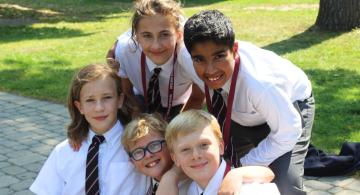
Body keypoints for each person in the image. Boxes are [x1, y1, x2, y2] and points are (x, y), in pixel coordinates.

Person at [182, 10, 315, 195]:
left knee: (284, 183)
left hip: (288, 112)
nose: (210, 69)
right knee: (215, 167)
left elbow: (289, 132)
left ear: (234, 49)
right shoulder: (187, 58)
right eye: (199, 60)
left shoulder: (260, 84)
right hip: (241, 111)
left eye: (219, 56)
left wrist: (243, 168)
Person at [30, 64, 147, 195]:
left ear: (119, 100)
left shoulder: (140, 144)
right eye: (90, 100)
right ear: (79, 107)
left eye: (107, 97)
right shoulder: (64, 151)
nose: (99, 108)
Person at [106, 0, 204, 121]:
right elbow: (127, 93)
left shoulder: (190, 56)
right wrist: (140, 119)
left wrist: (175, 128)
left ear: (179, 35)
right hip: (141, 99)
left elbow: (197, 97)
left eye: (164, 35)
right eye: (147, 35)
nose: (156, 46)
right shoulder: (125, 51)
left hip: (181, 103)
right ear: (136, 36)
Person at [165, 110, 277, 195]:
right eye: (185, 149)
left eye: (204, 145)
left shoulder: (250, 190)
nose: (196, 155)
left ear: (221, 147)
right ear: (175, 159)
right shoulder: (188, 190)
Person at [121, 113, 191, 195]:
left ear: (170, 145)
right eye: (138, 152)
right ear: (132, 162)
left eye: (154, 145)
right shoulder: (140, 183)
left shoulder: (195, 182)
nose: (148, 155)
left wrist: (172, 175)